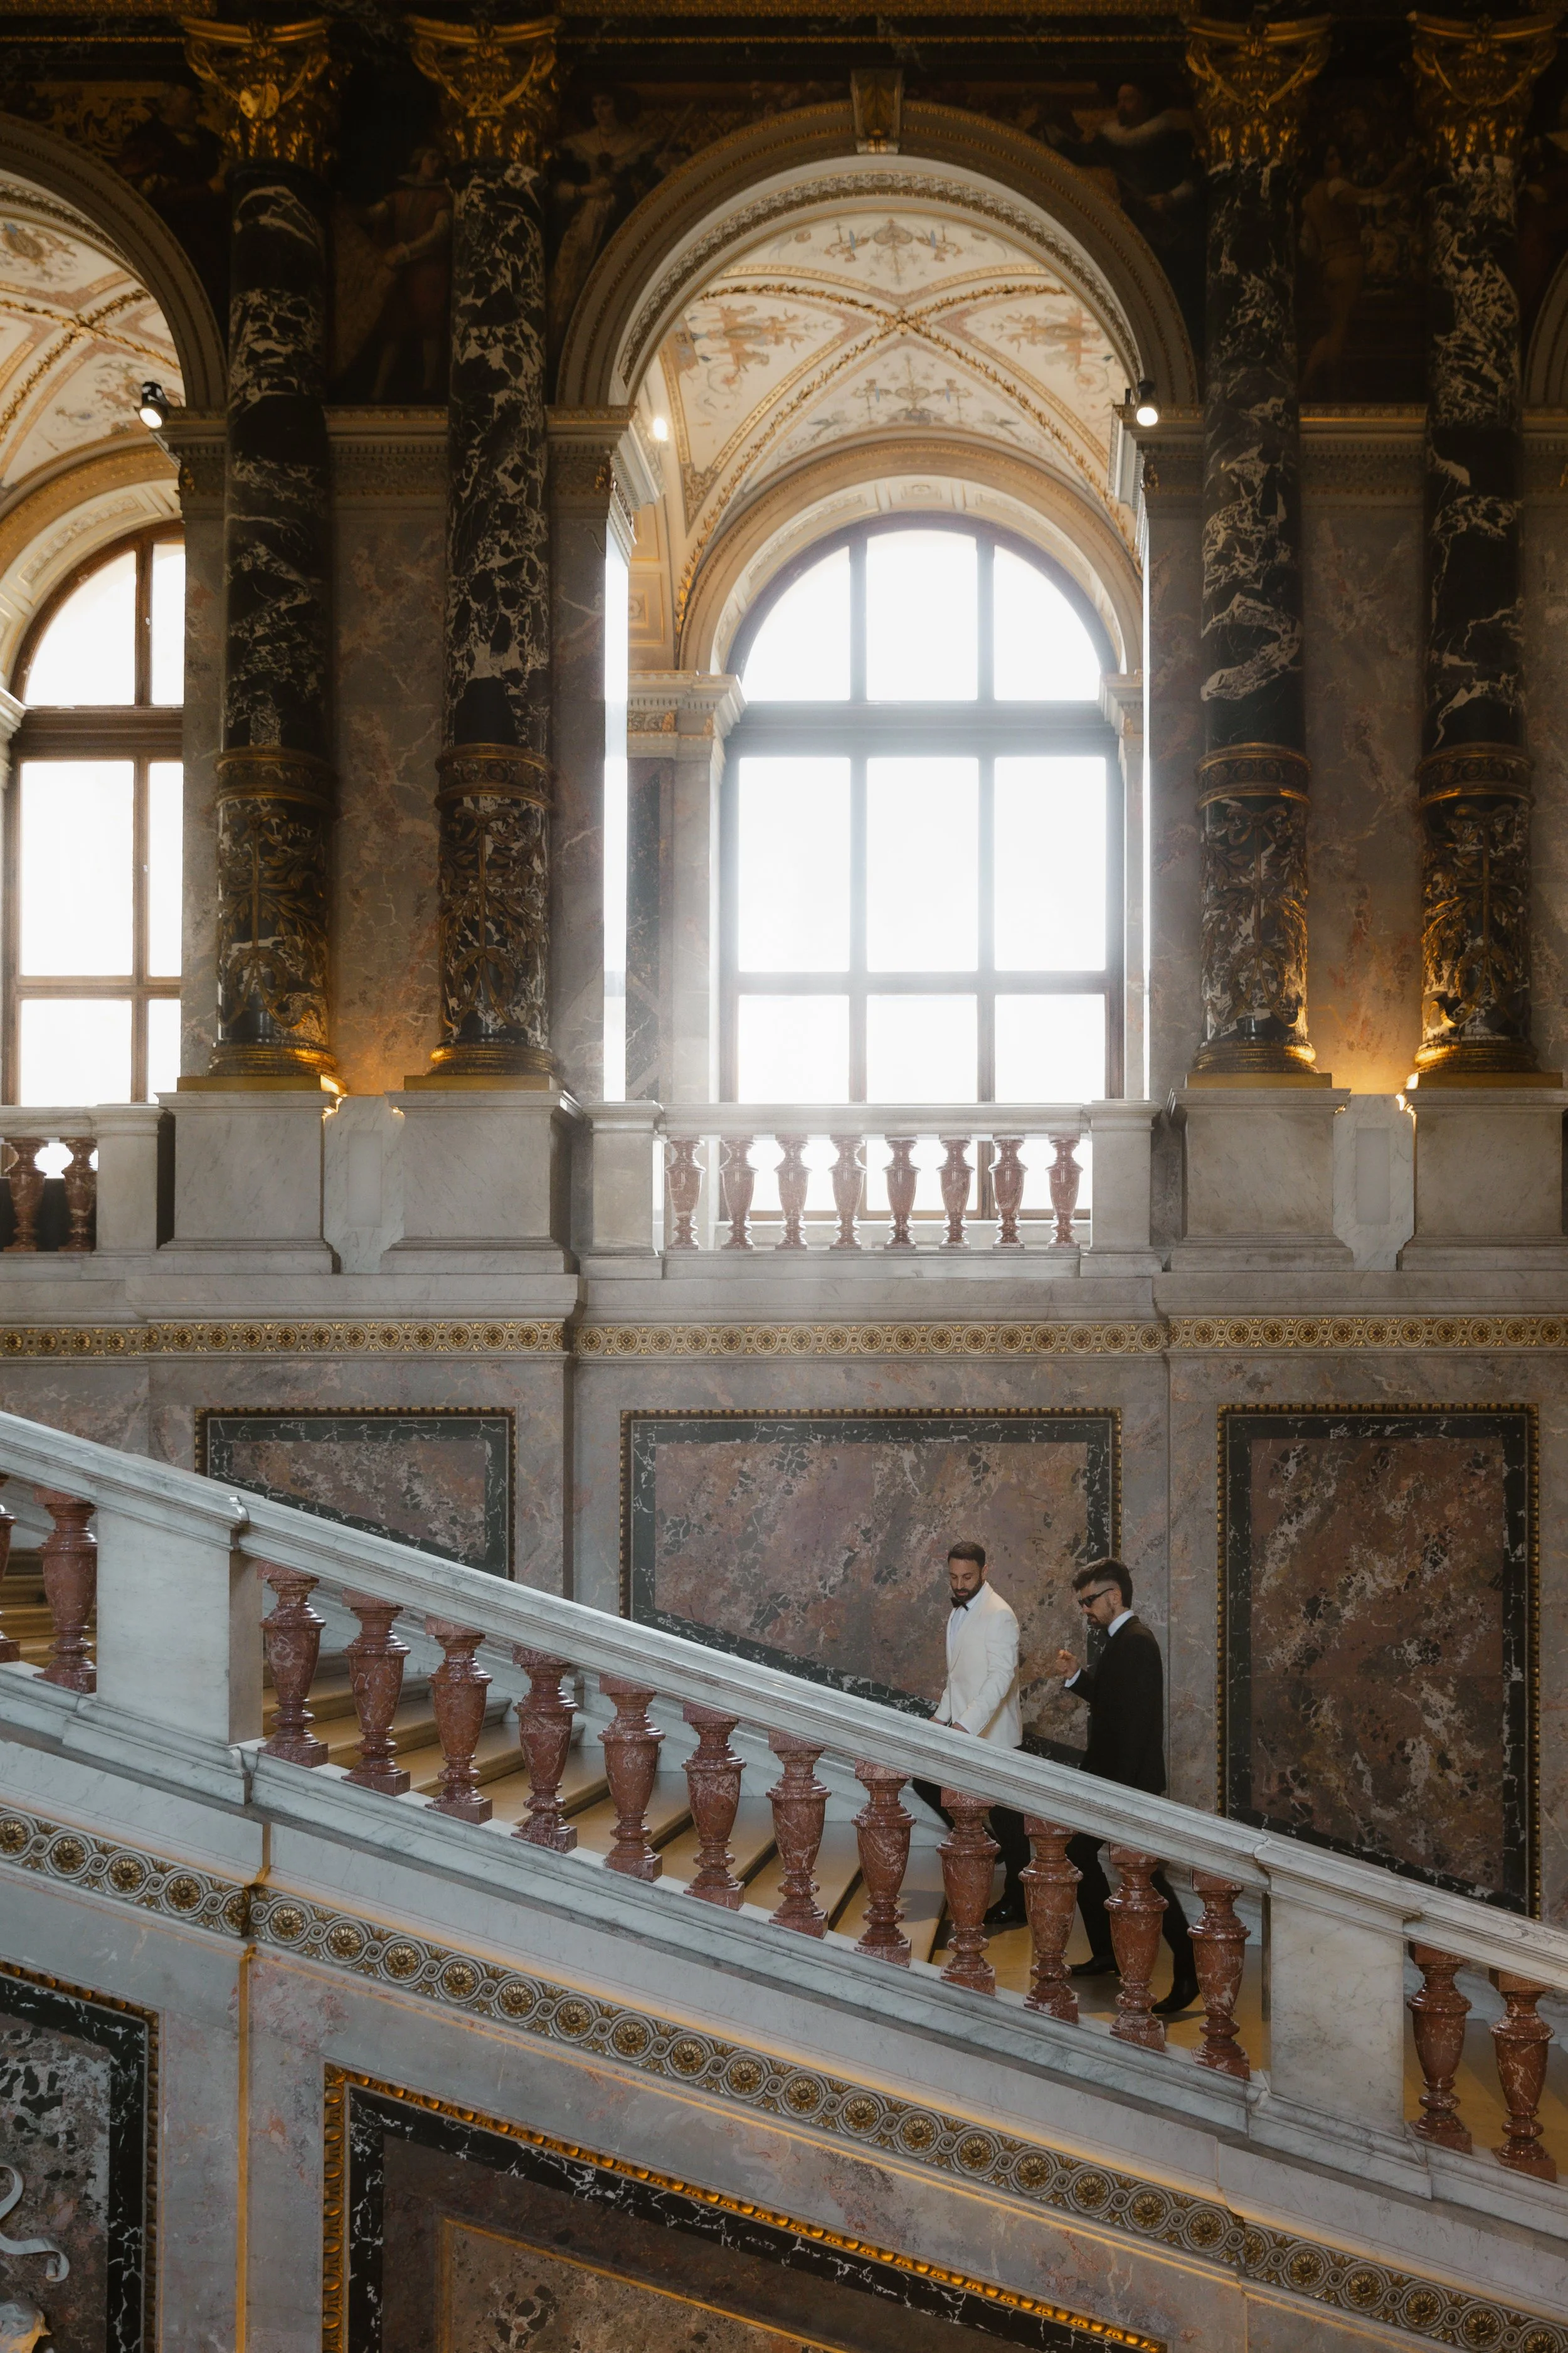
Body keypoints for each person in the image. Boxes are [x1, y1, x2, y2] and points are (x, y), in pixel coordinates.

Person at [1054, 1558, 1197, 2016]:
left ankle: (1190, 1971)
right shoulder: (1122, 1642)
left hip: (1125, 1785)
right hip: (1115, 1781)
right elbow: (1116, 1705)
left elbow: (1136, 1728)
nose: (1085, 1610)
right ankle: (1108, 1952)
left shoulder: (1135, 1643)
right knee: (1080, 1854)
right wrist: (1080, 1679)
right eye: (1082, 1603)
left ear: (1114, 1595)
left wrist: (1120, 1794)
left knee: (1149, 1877)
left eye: (1089, 1600)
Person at [912, 1540, 1030, 1928]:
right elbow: (957, 1678)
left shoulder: (1000, 1615)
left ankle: (1019, 1903)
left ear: (984, 1570)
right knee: (926, 1782)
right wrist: (939, 1719)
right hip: (965, 1732)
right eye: (953, 1577)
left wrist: (965, 1725)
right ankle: (985, 1842)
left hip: (996, 1738)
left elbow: (1000, 1679)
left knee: (1013, 1829)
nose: (960, 1585)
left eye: (967, 1577)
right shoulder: (958, 1613)